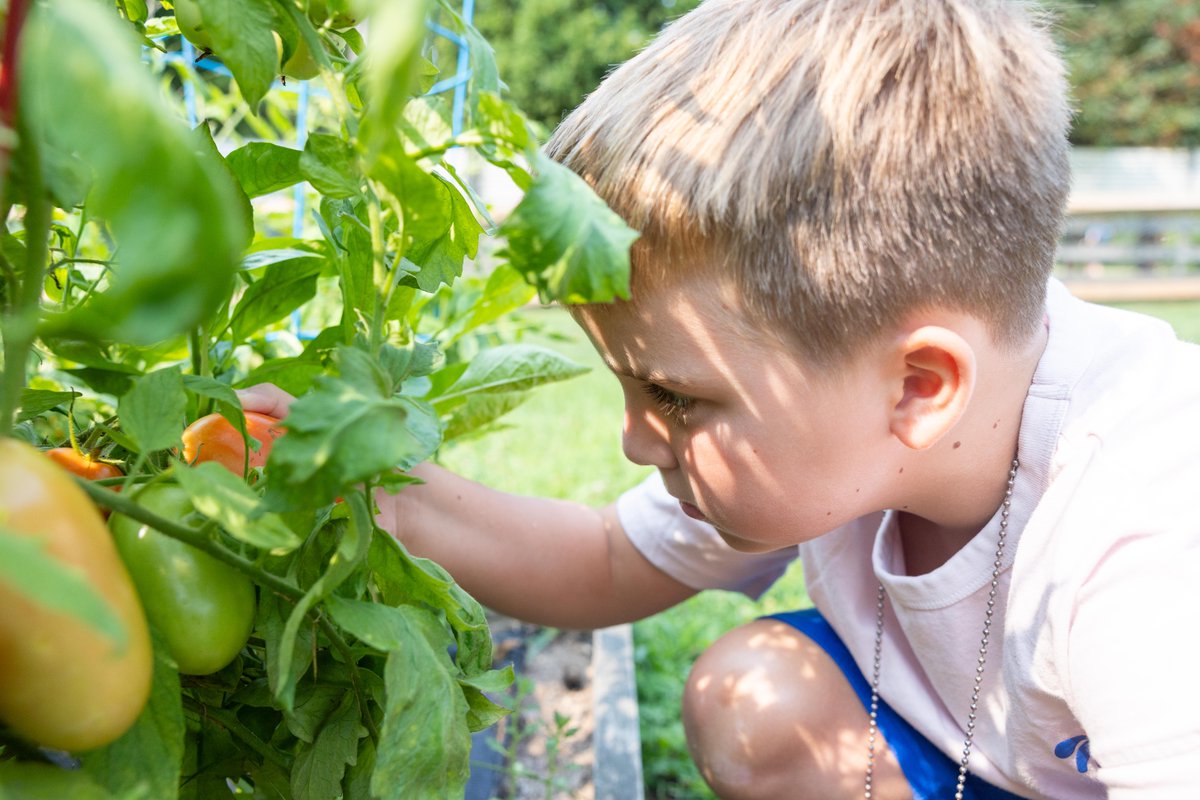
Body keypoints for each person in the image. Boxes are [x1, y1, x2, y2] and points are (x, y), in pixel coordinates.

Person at [239, 0, 1200, 797]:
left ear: (918, 389)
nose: (635, 440)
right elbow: (607, 560)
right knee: (757, 702)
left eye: (674, 396)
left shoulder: (1143, 548)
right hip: (970, 753)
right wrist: (383, 494)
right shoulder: (859, 407)